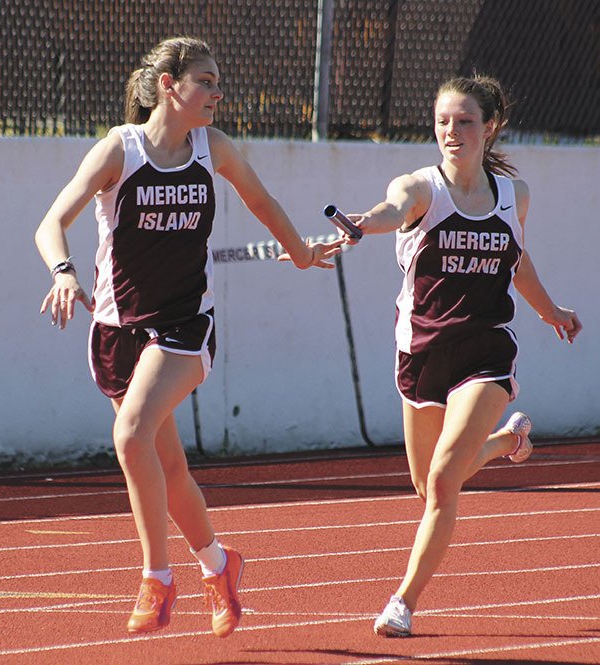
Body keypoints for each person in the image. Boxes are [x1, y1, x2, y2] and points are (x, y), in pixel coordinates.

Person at [35, 36, 343, 638]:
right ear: (169, 86)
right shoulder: (118, 151)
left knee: (130, 437)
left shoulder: (213, 147)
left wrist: (302, 253)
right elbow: (52, 222)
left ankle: (157, 578)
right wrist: (64, 272)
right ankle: (220, 565)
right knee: (168, 468)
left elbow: (262, 201)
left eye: (217, 82)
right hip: (118, 329)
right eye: (206, 81)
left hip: (183, 326)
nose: (217, 93)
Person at [341, 75, 582, 637]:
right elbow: (389, 208)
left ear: (490, 126)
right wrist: (361, 225)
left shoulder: (511, 196)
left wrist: (551, 312)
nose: (452, 131)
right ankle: (506, 443)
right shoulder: (422, 188)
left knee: (445, 482)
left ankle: (403, 601)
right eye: (444, 120)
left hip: (486, 351)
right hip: (422, 352)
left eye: (465, 120)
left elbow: (517, 262)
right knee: (426, 486)